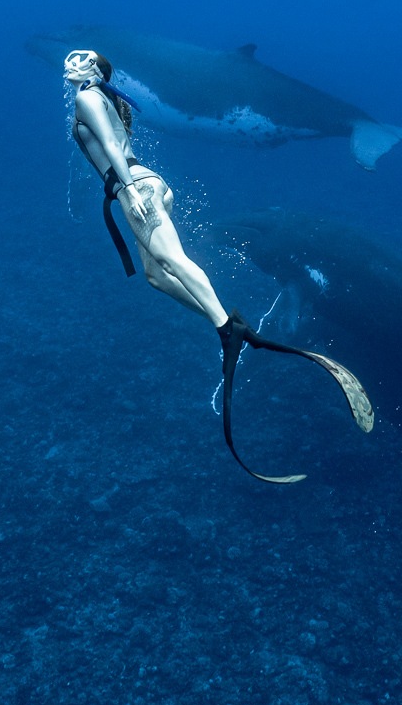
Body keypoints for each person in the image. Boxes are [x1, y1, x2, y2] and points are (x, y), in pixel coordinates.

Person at [64, 49, 373, 482]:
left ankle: (229, 329)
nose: (73, 59)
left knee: (173, 260)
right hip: (143, 187)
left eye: (84, 56)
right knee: (156, 277)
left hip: (137, 190)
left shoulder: (87, 97)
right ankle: (227, 324)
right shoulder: (101, 97)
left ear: (97, 69)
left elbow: (113, 147)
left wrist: (130, 190)